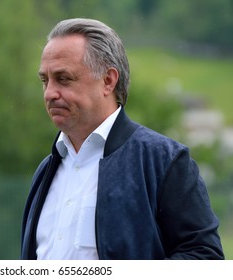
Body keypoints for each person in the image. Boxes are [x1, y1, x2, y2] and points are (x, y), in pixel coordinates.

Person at [20, 18, 224, 260]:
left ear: (108, 81)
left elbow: (204, 259)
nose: (50, 93)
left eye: (64, 79)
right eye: (45, 80)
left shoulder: (164, 161)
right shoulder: (45, 171)